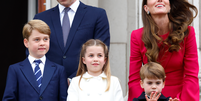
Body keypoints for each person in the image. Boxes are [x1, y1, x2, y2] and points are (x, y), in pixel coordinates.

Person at [128, 0, 199, 101]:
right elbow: (134, 79)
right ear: (146, 8)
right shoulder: (137, 36)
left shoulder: (188, 33)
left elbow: (191, 76)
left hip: (179, 97)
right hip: (150, 98)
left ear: (170, 6)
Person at [33, 0, 110, 80]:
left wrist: (75, 79)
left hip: (85, 82)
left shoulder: (97, 15)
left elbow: (102, 51)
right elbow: (33, 52)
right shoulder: (41, 18)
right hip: (49, 83)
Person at [2, 20, 67, 101]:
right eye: (37, 39)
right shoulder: (15, 70)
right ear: (26, 43)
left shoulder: (59, 70)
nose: (42, 43)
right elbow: (9, 98)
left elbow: (63, 98)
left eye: (45, 39)